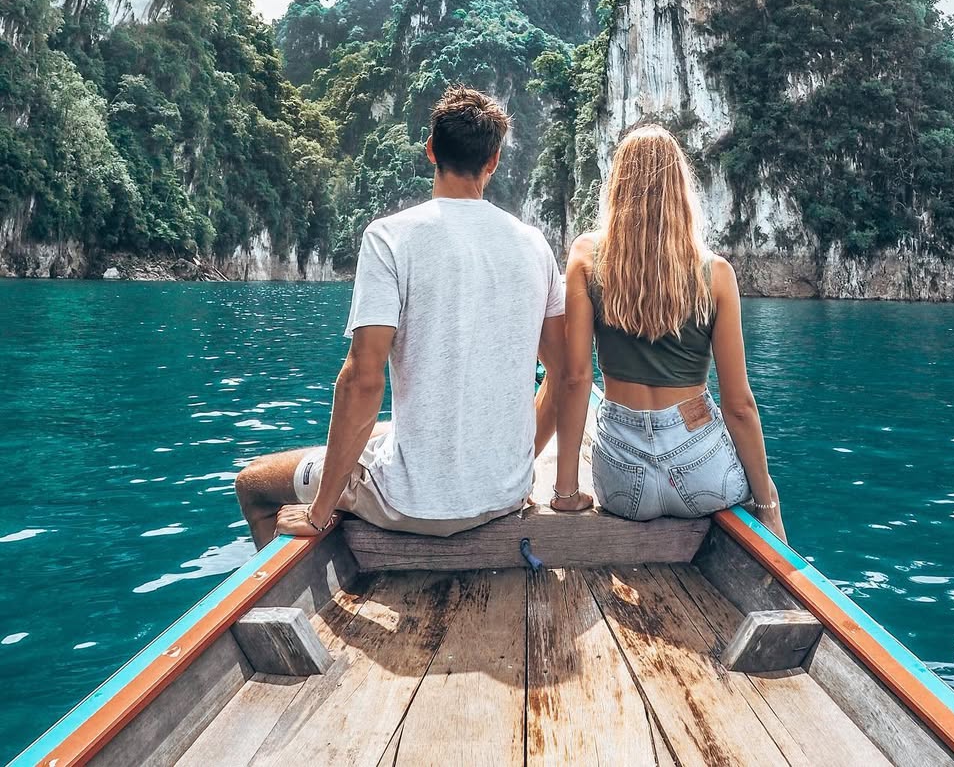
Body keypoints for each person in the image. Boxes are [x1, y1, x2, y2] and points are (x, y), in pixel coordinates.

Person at [235, 85, 565, 548]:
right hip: (507, 495)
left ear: (430, 150)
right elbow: (566, 375)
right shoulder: (534, 245)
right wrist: (513, 467)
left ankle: (290, 575)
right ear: (493, 161)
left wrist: (319, 511)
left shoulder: (389, 238)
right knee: (389, 431)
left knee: (253, 484)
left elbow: (362, 381)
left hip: (412, 504)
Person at [550, 124, 786, 541]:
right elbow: (739, 405)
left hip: (623, 481)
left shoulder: (587, 258)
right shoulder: (716, 274)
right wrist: (768, 503)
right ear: (681, 188)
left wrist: (566, 491)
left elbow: (574, 379)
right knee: (758, 488)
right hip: (701, 468)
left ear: (617, 186)